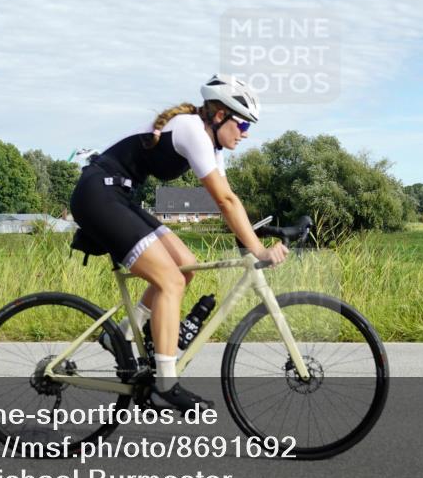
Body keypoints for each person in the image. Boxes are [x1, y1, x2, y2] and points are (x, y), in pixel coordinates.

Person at [70, 74, 289, 413]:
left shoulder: (209, 143)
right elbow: (225, 202)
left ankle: (122, 334)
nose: (246, 134)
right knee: (170, 280)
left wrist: (253, 238)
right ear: (220, 116)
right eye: (244, 125)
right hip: (98, 194)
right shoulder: (191, 130)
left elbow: (229, 199)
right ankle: (165, 386)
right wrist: (258, 251)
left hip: (118, 195)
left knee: (185, 266)